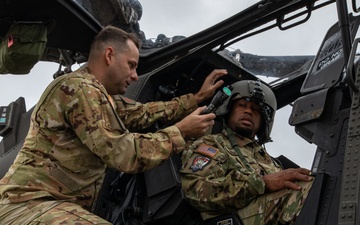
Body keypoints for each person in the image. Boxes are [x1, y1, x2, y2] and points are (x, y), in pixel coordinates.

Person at [0, 25, 228, 224]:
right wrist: (180, 133)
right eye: (131, 65)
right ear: (109, 55)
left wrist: (197, 98)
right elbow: (122, 152)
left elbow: (144, 113)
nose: (135, 75)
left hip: (51, 207)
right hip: (26, 204)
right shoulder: (80, 89)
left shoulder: (102, 98)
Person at [180, 80, 313, 225]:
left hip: (261, 214)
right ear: (229, 110)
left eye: (256, 109)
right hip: (229, 219)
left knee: (317, 185)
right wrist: (261, 183)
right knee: (304, 192)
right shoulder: (212, 144)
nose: (248, 111)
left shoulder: (268, 159)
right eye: (242, 105)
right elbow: (196, 192)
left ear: (264, 120)